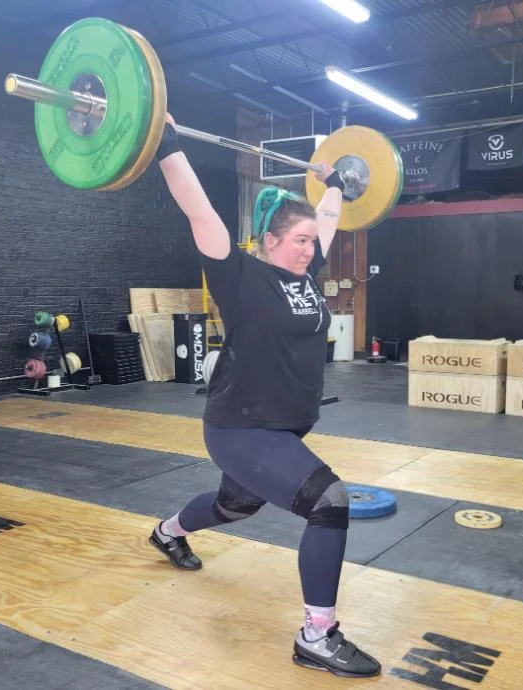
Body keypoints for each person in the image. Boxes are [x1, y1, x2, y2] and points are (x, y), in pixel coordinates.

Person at [147, 113, 381, 679]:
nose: (309, 249)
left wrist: (333, 185)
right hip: (239, 426)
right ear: (268, 241)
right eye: (297, 242)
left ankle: (167, 532)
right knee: (329, 502)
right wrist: (167, 143)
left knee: (236, 506)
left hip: (280, 427)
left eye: (310, 242)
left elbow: (327, 216)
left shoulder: (305, 274)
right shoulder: (239, 273)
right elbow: (196, 206)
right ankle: (316, 635)